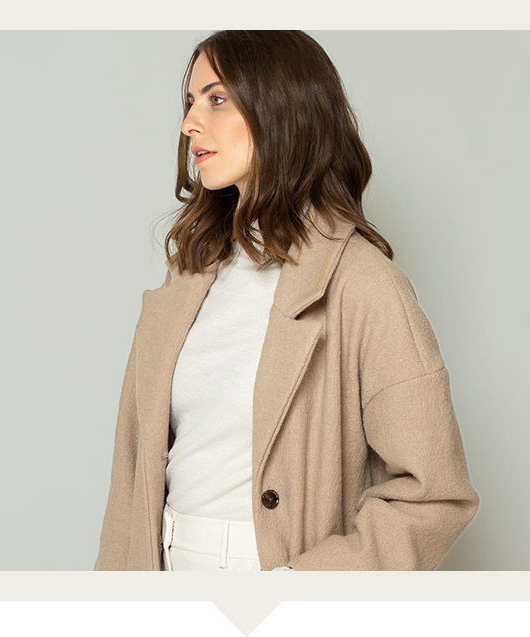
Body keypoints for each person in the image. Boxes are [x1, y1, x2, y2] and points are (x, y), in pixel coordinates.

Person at [94, 30, 480, 572]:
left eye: (216, 98)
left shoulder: (362, 285)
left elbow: (433, 494)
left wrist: (299, 589)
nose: (189, 124)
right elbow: (131, 484)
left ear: (281, 108)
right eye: (190, 102)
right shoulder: (185, 280)